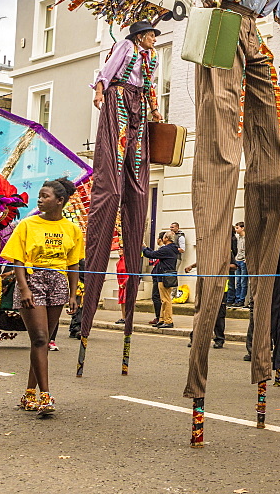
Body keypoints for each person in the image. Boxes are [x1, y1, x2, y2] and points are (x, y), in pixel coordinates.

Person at [185, 0, 280, 410]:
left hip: (256, 31)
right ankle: (227, 142)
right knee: (219, 99)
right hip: (226, 22)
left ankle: (268, 156)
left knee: (269, 104)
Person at [80, 20, 162, 354]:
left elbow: (151, 86)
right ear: (139, 36)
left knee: (137, 162)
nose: (153, 38)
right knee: (114, 161)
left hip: (138, 101)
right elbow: (108, 71)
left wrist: (154, 108)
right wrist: (100, 91)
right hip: (119, 95)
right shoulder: (126, 48)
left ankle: (131, 170)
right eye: (150, 34)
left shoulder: (151, 57)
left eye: (155, 35)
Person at [1, 177, 83, 417]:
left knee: (43, 340)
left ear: (60, 201)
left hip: (57, 282)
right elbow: (17, 258)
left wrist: (73, 293)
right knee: (38, 337)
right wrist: (24, 288)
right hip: (32, 279)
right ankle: (45, 396)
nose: (39, 199)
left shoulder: (72, 229)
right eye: (39, 195)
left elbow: (74, 263)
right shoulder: (27, 224)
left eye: (45, 196)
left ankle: (29, 393)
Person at [142, 231, 178, 329]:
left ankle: (168, 320)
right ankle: (162, 319)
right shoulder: (172, 248)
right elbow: (155, 253)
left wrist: (144, 248)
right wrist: (146, 248)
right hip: (166, 275)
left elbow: (151, 255)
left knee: (166, 300)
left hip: (164, 276)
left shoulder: (167, 249)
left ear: (166, 238)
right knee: (163, 299)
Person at [233, 222, 248, 307]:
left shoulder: (246, 238)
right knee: (237, 281)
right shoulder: (238, 238)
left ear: (242, 228)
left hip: (243, 261)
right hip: (237, 260)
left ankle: (241, 300)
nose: (236, 229)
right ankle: (237, 299)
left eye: (237, 228)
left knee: (243, 281)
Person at [115, 249, 128, 325]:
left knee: (126, 300)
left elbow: (128, 273)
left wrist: (124, 283)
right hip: (120, 283)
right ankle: (123, 317)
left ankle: (126, 317)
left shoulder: (126, 261)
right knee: (122, 301)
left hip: (125, 283)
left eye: (121, 250)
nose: (119, 251)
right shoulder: (119, 262)